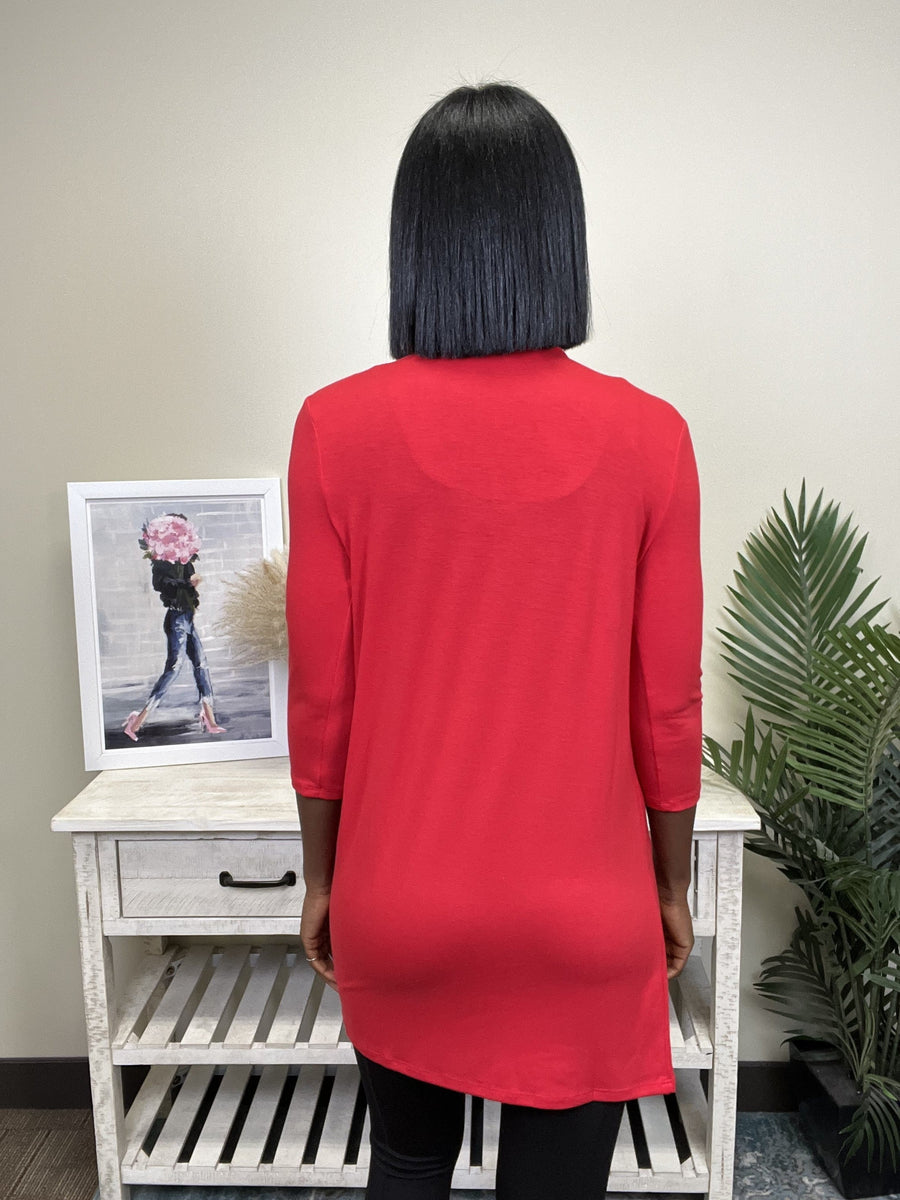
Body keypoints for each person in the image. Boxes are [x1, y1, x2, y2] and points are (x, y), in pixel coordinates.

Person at [285, 81, 702, 1200]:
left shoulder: (333, 429)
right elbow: (665, 705)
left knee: (408, 1162)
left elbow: (323, 702)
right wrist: (668, 886)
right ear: (559, 240)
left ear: (415, 243)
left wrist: (324, 880)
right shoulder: (652, 437)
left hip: (400, 902)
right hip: (585, 911)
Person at [123, 512, 226, 740]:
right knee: (173, 668)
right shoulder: (159, 564)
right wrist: (187, 583)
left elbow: (189, 583)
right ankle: (137, 721)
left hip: (187, 617)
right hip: (175, 619)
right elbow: (161, 585)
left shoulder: (186, 560)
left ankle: (209, 718)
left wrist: (191, 584)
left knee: (201, 665)